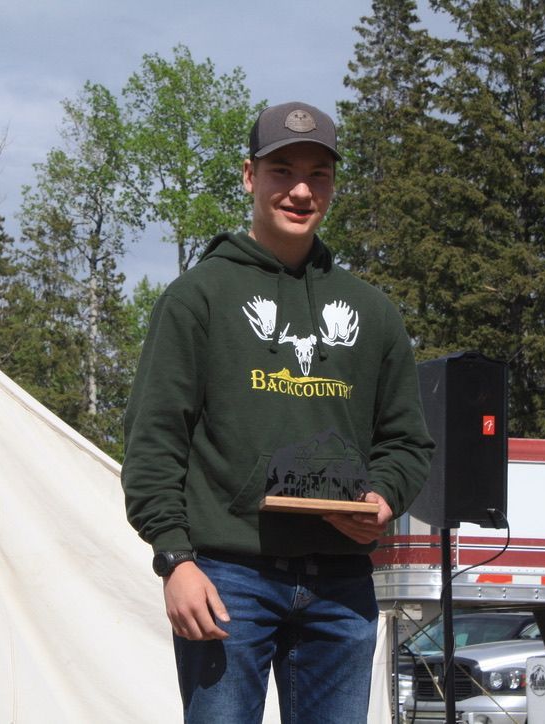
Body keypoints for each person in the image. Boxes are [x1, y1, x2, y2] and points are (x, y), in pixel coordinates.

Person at [121, 101, 434, 723]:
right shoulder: (198, 298)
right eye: (281, 170)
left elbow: (406, 443)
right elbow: (154, 440)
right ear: (249, 176)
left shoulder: (372, 313)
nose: (299, 189)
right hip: (227, 580)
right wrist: (174, 560)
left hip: (341, 586)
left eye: (318, 174)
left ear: (334, 186)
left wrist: (383, 498)